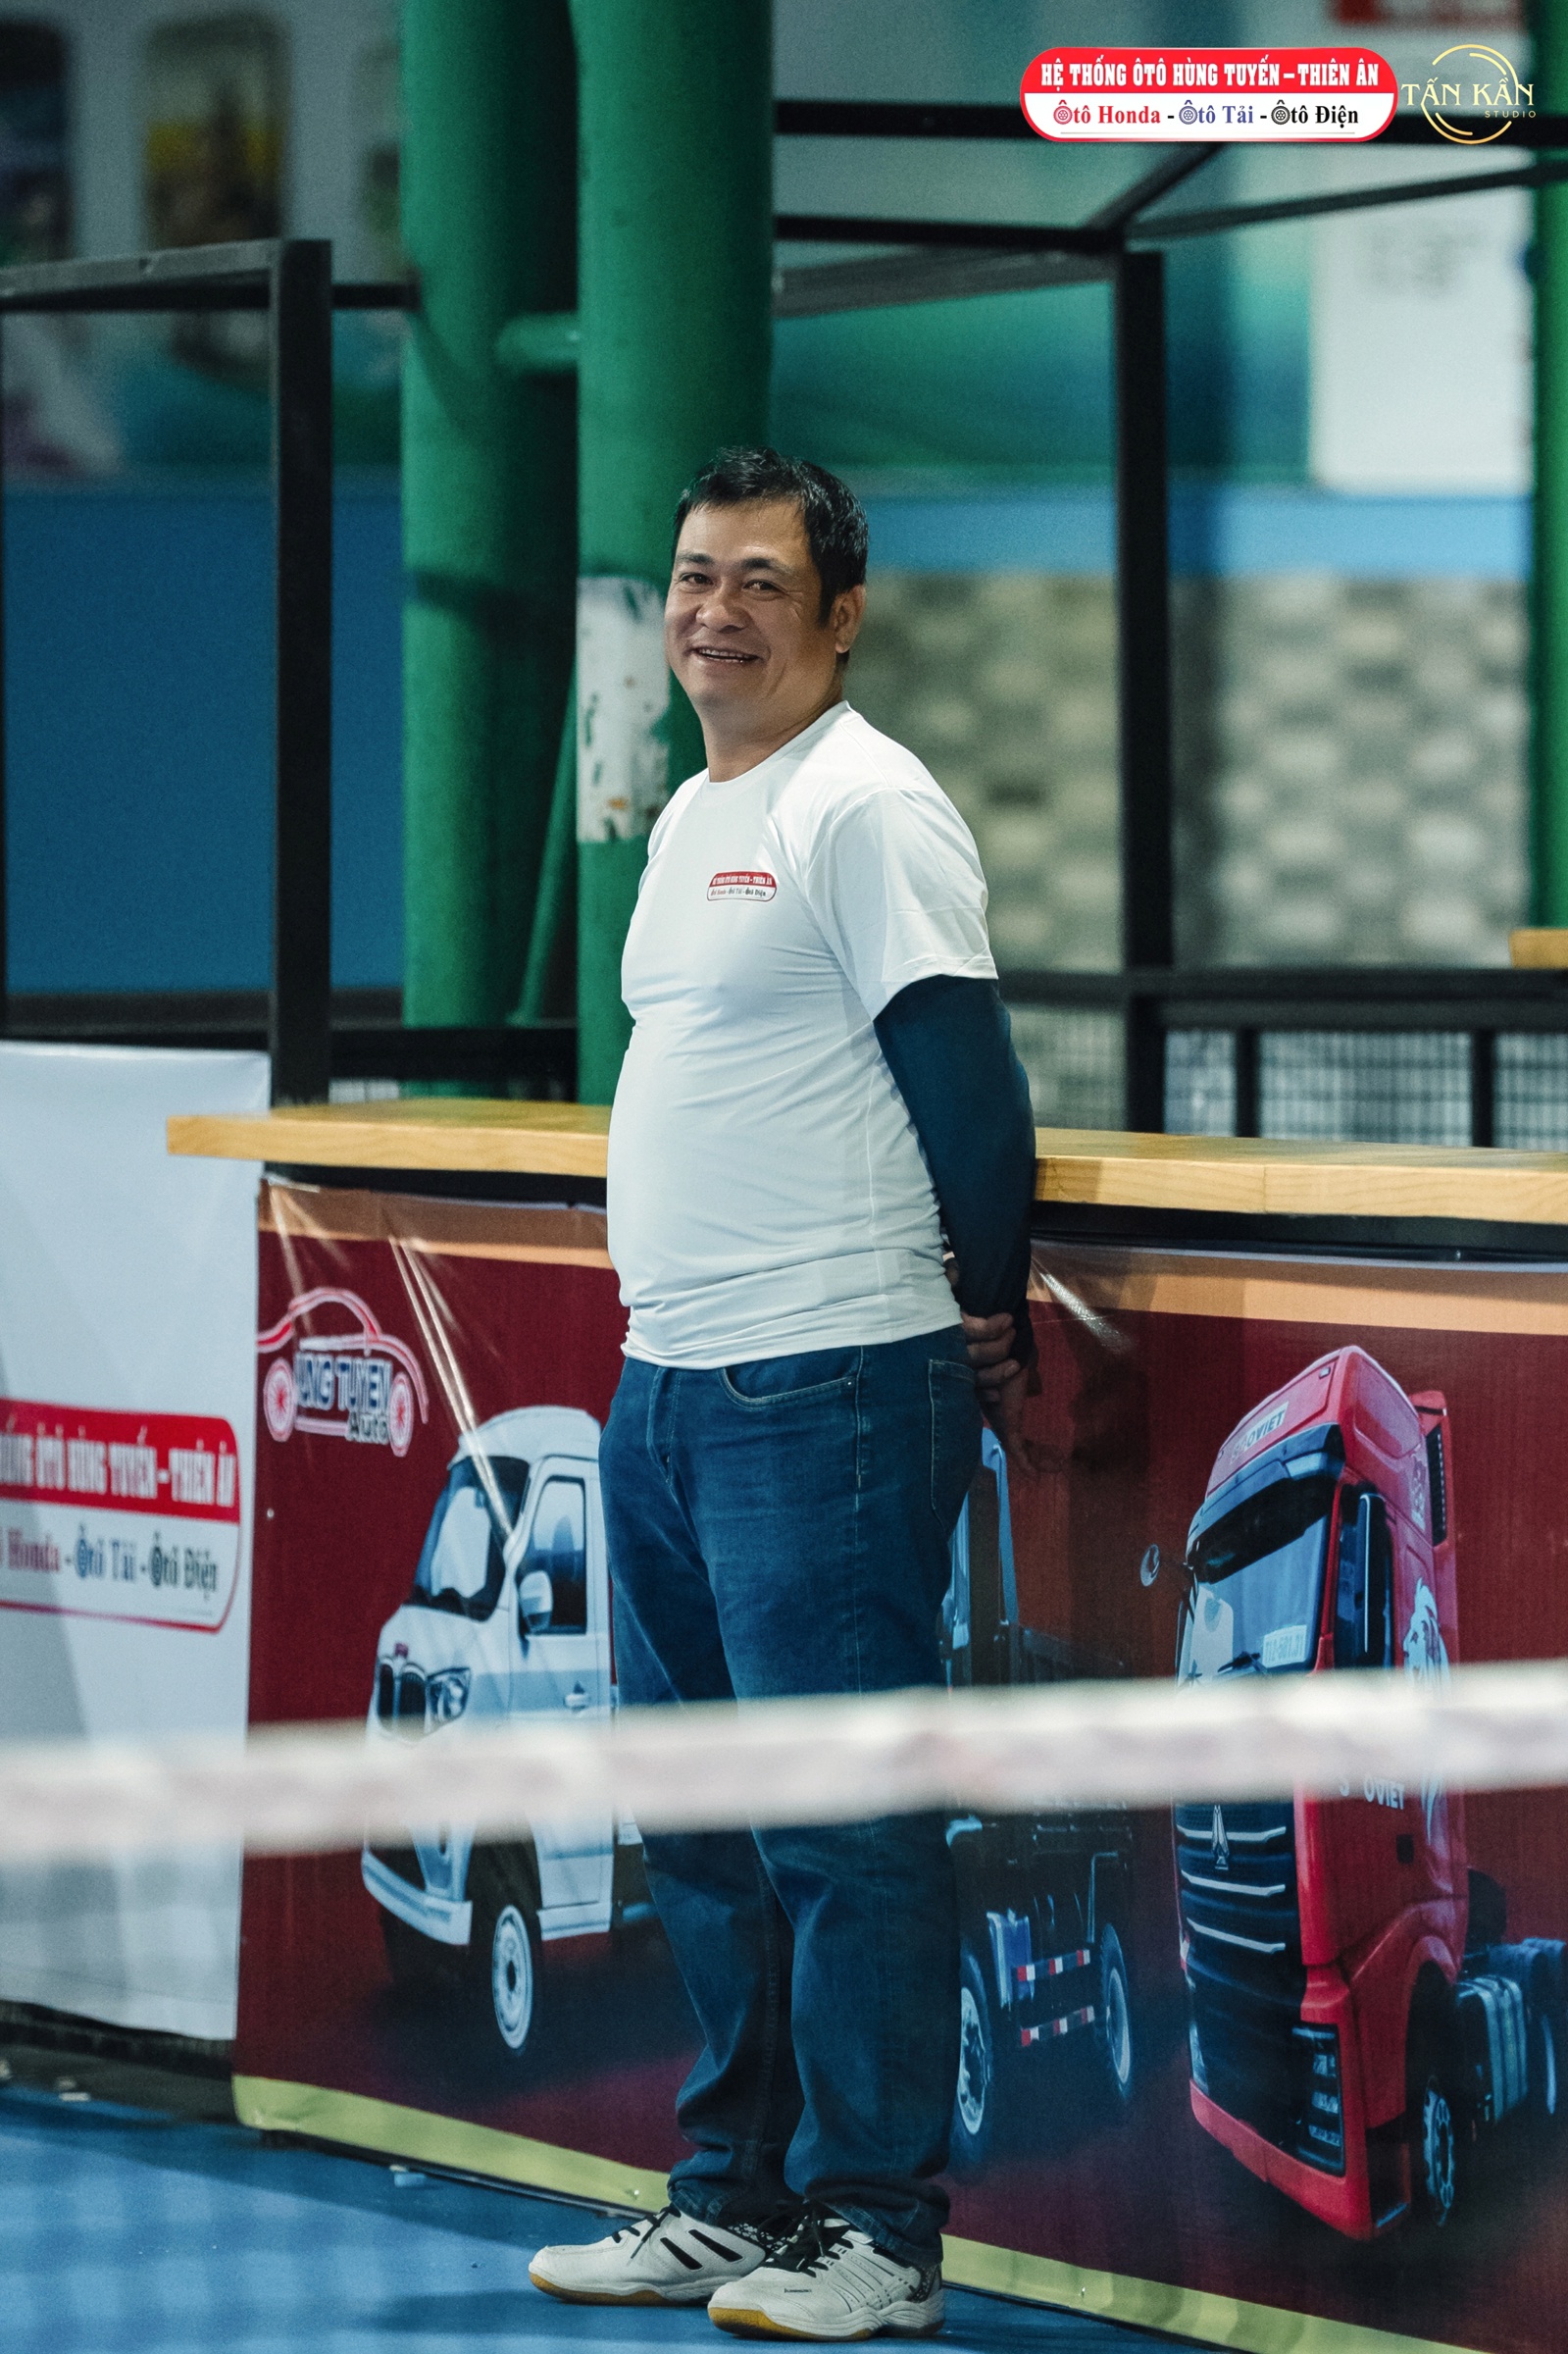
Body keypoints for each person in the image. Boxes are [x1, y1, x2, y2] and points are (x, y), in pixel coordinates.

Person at [531, 448, 1037, 2340]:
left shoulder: (868, 805)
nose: (715, 611)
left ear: (840, 616)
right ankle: (730, 2204)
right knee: (705, 1824)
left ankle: (878, 2235)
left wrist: (985, 1308)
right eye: (693, 576)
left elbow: (970, 1088)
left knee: (841, 1829)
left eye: (760, 581)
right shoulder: (689, 817)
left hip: (831, 1380)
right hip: (667, 1391)